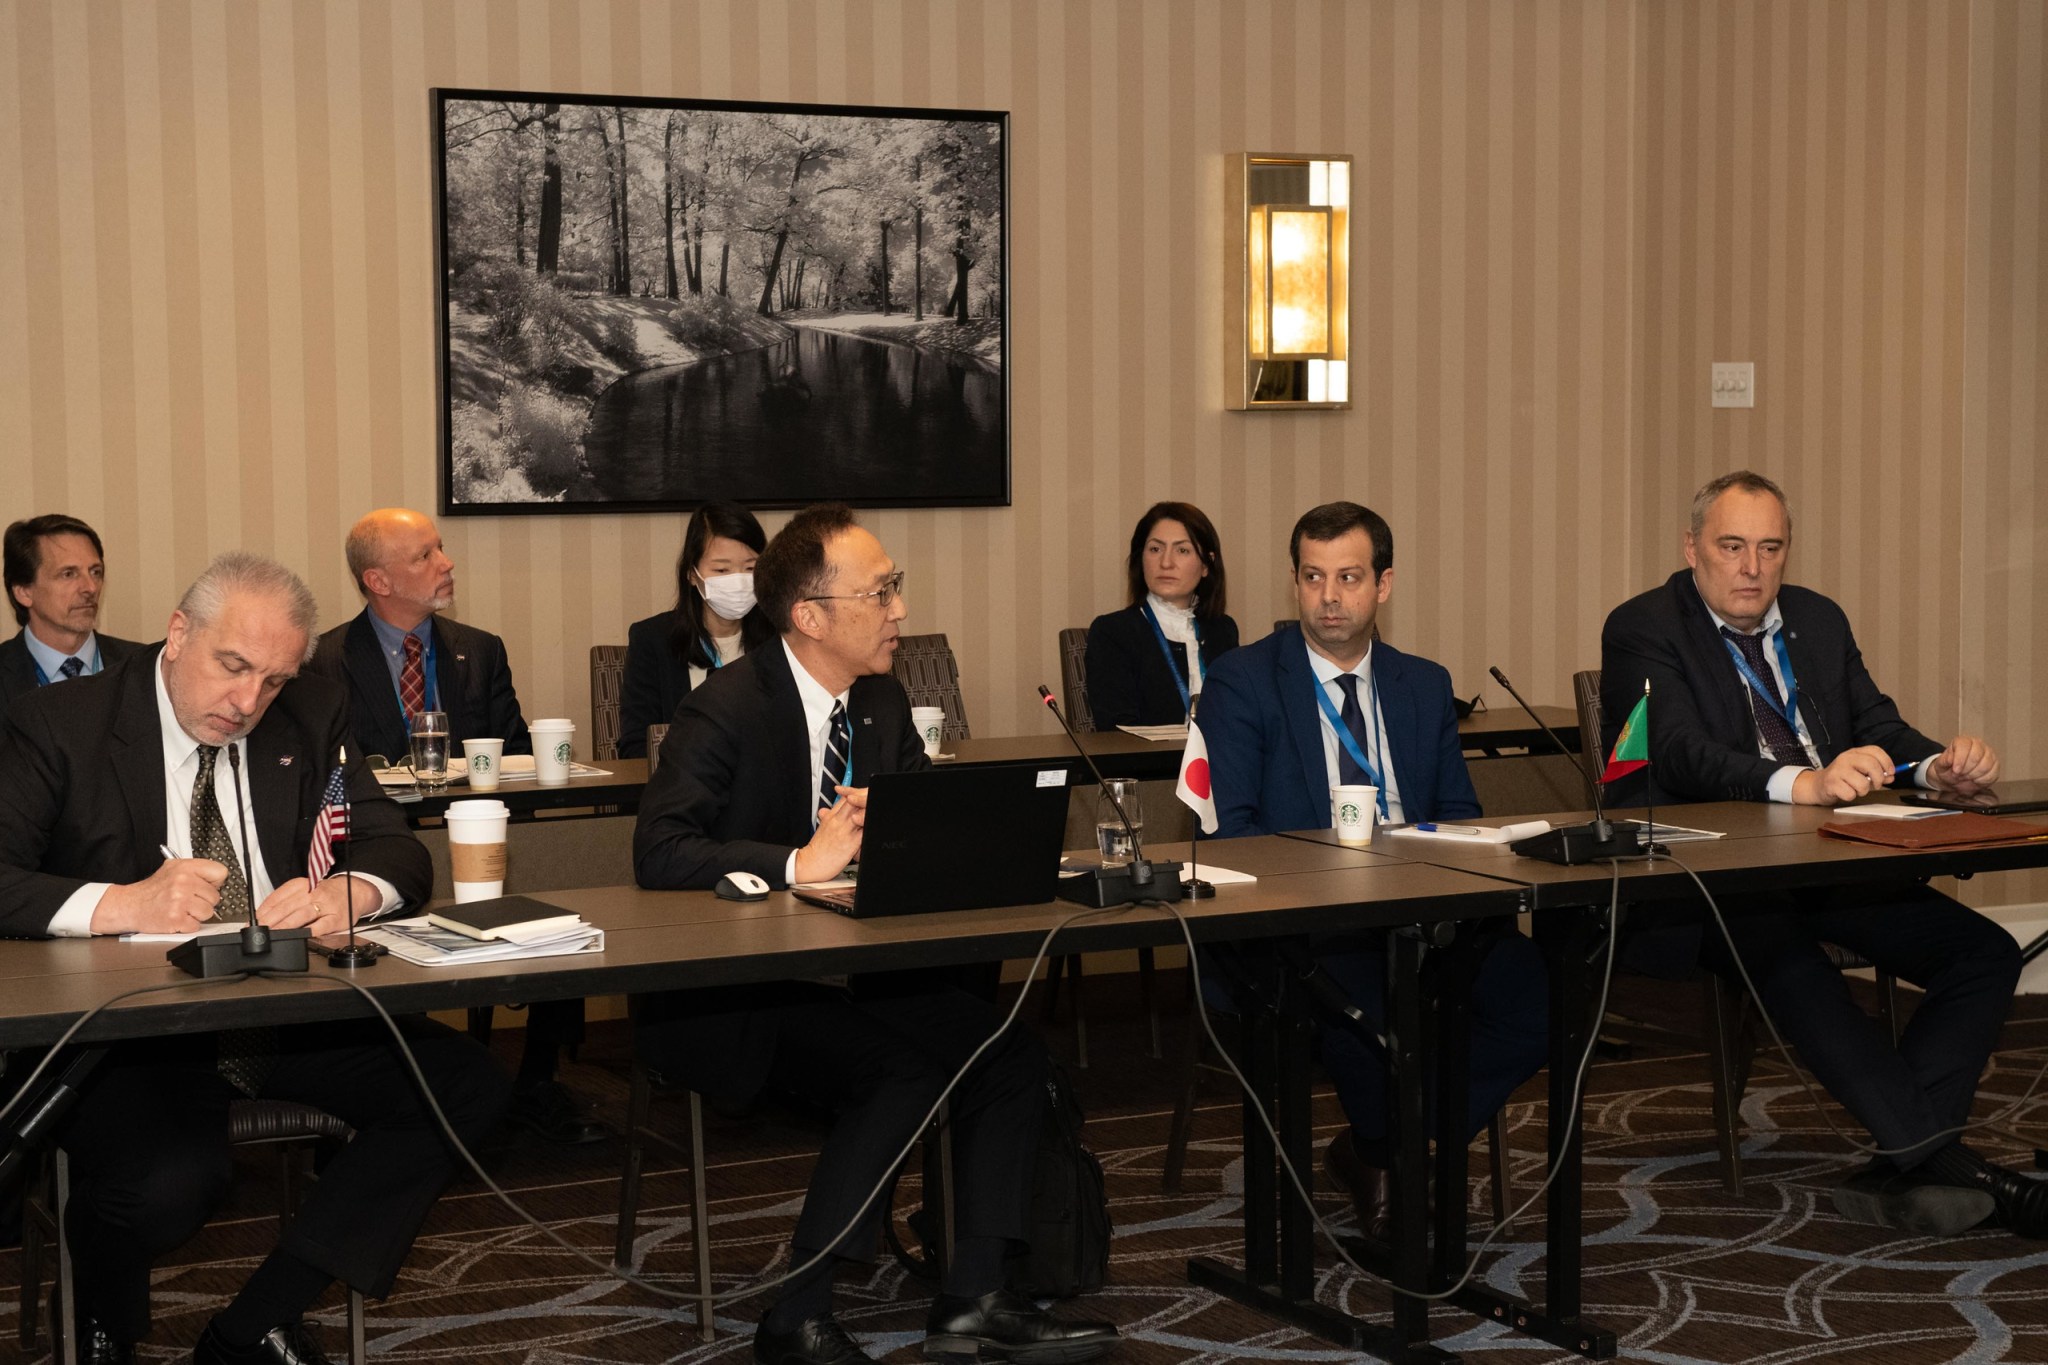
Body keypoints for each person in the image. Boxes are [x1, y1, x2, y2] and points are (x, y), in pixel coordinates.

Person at [633, 504, 1119, 1365]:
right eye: (882, 591)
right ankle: (797, 1313)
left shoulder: (884, 701)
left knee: (1006, 1053)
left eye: (897, 588)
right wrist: (795, 860)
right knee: (902, 1072)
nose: (900, 609)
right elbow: (660, 849)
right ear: (810, 617)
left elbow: (919, 828)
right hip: (745, 987)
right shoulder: (727, 708)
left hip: (864, 971)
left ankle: (973, 1296)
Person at [0, 552, 510, 1365]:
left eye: (272, 679)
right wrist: (119, 903)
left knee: (465, 1085)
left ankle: (251, 1324)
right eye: (232, 667)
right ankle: (96, 1295)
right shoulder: (60, 722)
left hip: (281, 1006)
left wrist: (352, 893)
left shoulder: (312, 710)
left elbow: (394, 848)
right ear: (177, 633)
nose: (248, 702)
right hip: (131, 1032)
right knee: (168, 1184)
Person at [1601, 469, 2041, 1238]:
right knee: (1788, 957)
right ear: (1692, 547)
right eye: (1732, 547)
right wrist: (1798, 780)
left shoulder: (1817, 619)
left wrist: (1938, 766)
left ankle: (1903, 1163)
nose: (1752, 568)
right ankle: (1956, 1168)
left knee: (1984, 951)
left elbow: (1877, 723)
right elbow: (1676, 753)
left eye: (1770, 548)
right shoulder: (1644, 627)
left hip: (1833, 860)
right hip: (1705, 878)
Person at [1199, 501, 1548, 1239]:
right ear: (1294, 582)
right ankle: (1397, 1158)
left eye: (1349, 577)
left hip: (1425, 915)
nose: (1330, 595)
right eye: (1313, 576)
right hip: (1308, 927)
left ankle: (1379, 1146)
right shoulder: (1244, 681)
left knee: (1545, 996)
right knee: (1370, 1014)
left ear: (1383, 584)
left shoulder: (1423, 684)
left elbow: (1459, 814)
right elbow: (1235, 838)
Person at [305, 507, 596, 1146]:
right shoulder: (325, 662)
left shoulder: (478, 650)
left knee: (567, 885)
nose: (446, 563)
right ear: (377, 580)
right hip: (380, 849)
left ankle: (538, 1081)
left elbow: (516, 752)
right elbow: (330, 784)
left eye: (441, 550)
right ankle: (400, 1093)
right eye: (425, 556)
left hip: (485, 833)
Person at [619, 501, 776, 759]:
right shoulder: (652, 640)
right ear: (692, 574)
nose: (738, 580)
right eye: (722, 570)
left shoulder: (781, 638)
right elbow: (636, 748)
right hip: (683, 791)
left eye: (750, 568)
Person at [1084, 502, 1239, 728]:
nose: (1166, 563)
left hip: (1218, 762)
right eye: (1155, 549)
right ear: (1141, 559)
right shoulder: (1112, 632)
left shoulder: (1223, 629)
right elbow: (1115, 730)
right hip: (1148, 763)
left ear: (1207, 564)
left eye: (1182, 550)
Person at [0, 514, 143, 729]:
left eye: (95, 572)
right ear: (23, 592)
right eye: (68, 574)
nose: (90, 588)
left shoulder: (144, 667)